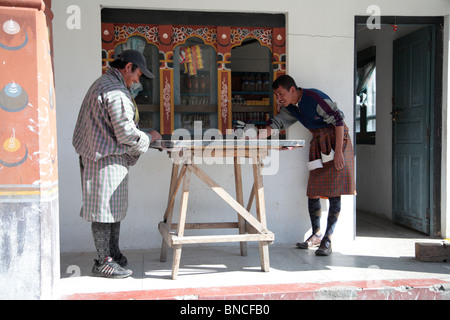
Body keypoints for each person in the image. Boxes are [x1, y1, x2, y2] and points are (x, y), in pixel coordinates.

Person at [72, 50, 162, 278]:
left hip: (103, 155)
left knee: (113, 210)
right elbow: (125, 133)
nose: (137, 80)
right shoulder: (115, 91)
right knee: (103, 212)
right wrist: (150, 137)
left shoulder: (105, 83)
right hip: (102, 158)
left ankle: (113, 253)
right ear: (128, 66)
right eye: (138, 74)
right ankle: (103, 261)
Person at [259, 75, 356, 256]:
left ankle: (328, 239)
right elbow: (276, 123)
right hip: (318, 142)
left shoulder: (314, 98)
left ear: (292, 90)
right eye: (276, 95)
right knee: (313, 190)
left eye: (281, 93)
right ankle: (316, 234)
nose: (279, 98)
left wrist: (339, 152)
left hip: (337, 141)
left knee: (334, 191)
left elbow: (338, 120)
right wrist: (253, 138)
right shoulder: (291, 108)